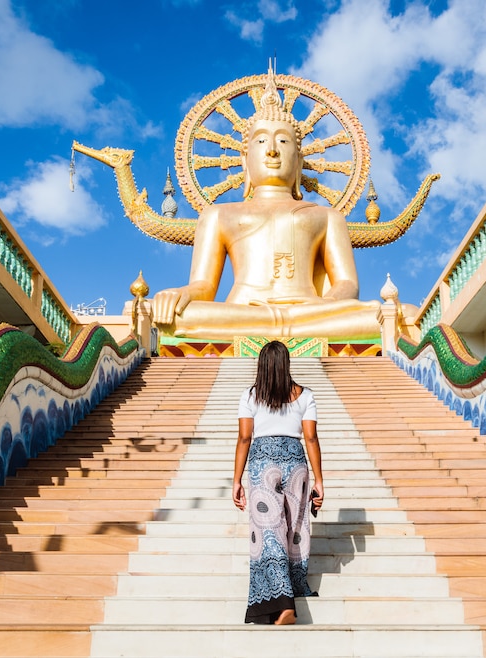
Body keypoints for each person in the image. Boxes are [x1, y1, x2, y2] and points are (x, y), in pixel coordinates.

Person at [151, 65, 381, 340]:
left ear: (299, 162)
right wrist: (180, 294)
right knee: (167, 312)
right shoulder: (217, 215)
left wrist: (327, 304)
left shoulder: (328, 216)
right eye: (261, 141)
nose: (272, 149)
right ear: (245, 160)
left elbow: (346, 284)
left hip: (309, 312)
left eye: (283, 141)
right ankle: (286, 326)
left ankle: (287, 324)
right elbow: (203, 286)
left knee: (386, 314)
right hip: (243, 312)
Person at [232, 340, 324, 625]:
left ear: (261, 365)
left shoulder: (250, 396)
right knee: (295, 527)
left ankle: (281, 604)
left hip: (262, 463)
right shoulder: (305, 395)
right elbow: (310, 438)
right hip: (296, 462)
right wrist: (320, 480)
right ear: (287, 364)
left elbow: (244, 438)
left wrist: (236, 480)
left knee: (268, 531)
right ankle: (295, 585)